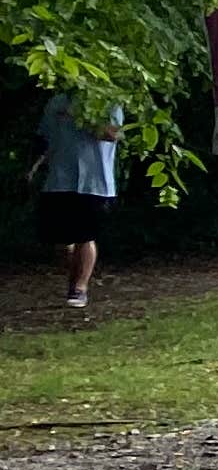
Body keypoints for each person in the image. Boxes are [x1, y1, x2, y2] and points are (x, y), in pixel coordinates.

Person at [32, 93, 118, 316]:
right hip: (59, 178)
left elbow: (112, 134)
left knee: (85, 235)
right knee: (60, 239)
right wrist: (35, 165)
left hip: (93, 180)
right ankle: (76, 277)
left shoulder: (109, 99)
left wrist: (81, 117)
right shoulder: (56, 101)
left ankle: (80, 288)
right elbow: (46, 137)